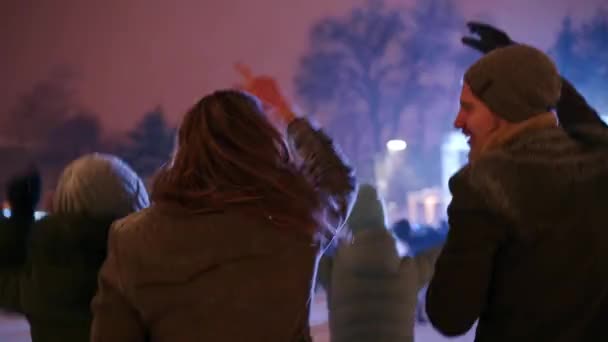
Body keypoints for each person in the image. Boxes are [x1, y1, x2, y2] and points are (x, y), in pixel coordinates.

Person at [90, 75, 357, 341]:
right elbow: (336, 178)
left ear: (183, 153)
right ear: (264, 145)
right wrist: (287, 111)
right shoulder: (297, 220)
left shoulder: (132, 241)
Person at [425, 34, 608, 341]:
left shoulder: (485, 187)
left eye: (468, 108)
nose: (458, 121)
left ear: (503, 110)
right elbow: (587, 122)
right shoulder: (599, 163)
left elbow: (450, 315)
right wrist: (525, 68)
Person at [0, 154, 149, 342]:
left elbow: (5, 279)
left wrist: (19, 219)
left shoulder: (42, 284)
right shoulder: (148, 282)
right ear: (135, 207)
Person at [317, 184, 441, 342]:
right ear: (382, 219)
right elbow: (440, 255)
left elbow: (305, 246)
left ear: (351, 222)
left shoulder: (334, 270)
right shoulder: (408, 270)